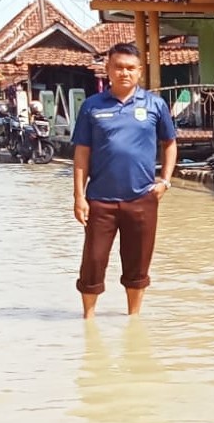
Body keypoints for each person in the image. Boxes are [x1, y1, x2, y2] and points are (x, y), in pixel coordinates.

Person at [71, 43, 177, 319]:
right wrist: (79, 197)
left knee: (138, 264)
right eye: (118, 67)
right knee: (93, 262)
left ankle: (133, 319)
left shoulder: (155, 105)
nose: (124, 73)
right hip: (100, 200)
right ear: (108, 70)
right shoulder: (91, 107)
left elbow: (170, 143)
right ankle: (88, 321)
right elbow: (82, 153)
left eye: (130, 68)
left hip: (142, 198)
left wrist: (165, 181)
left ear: (140, 71)